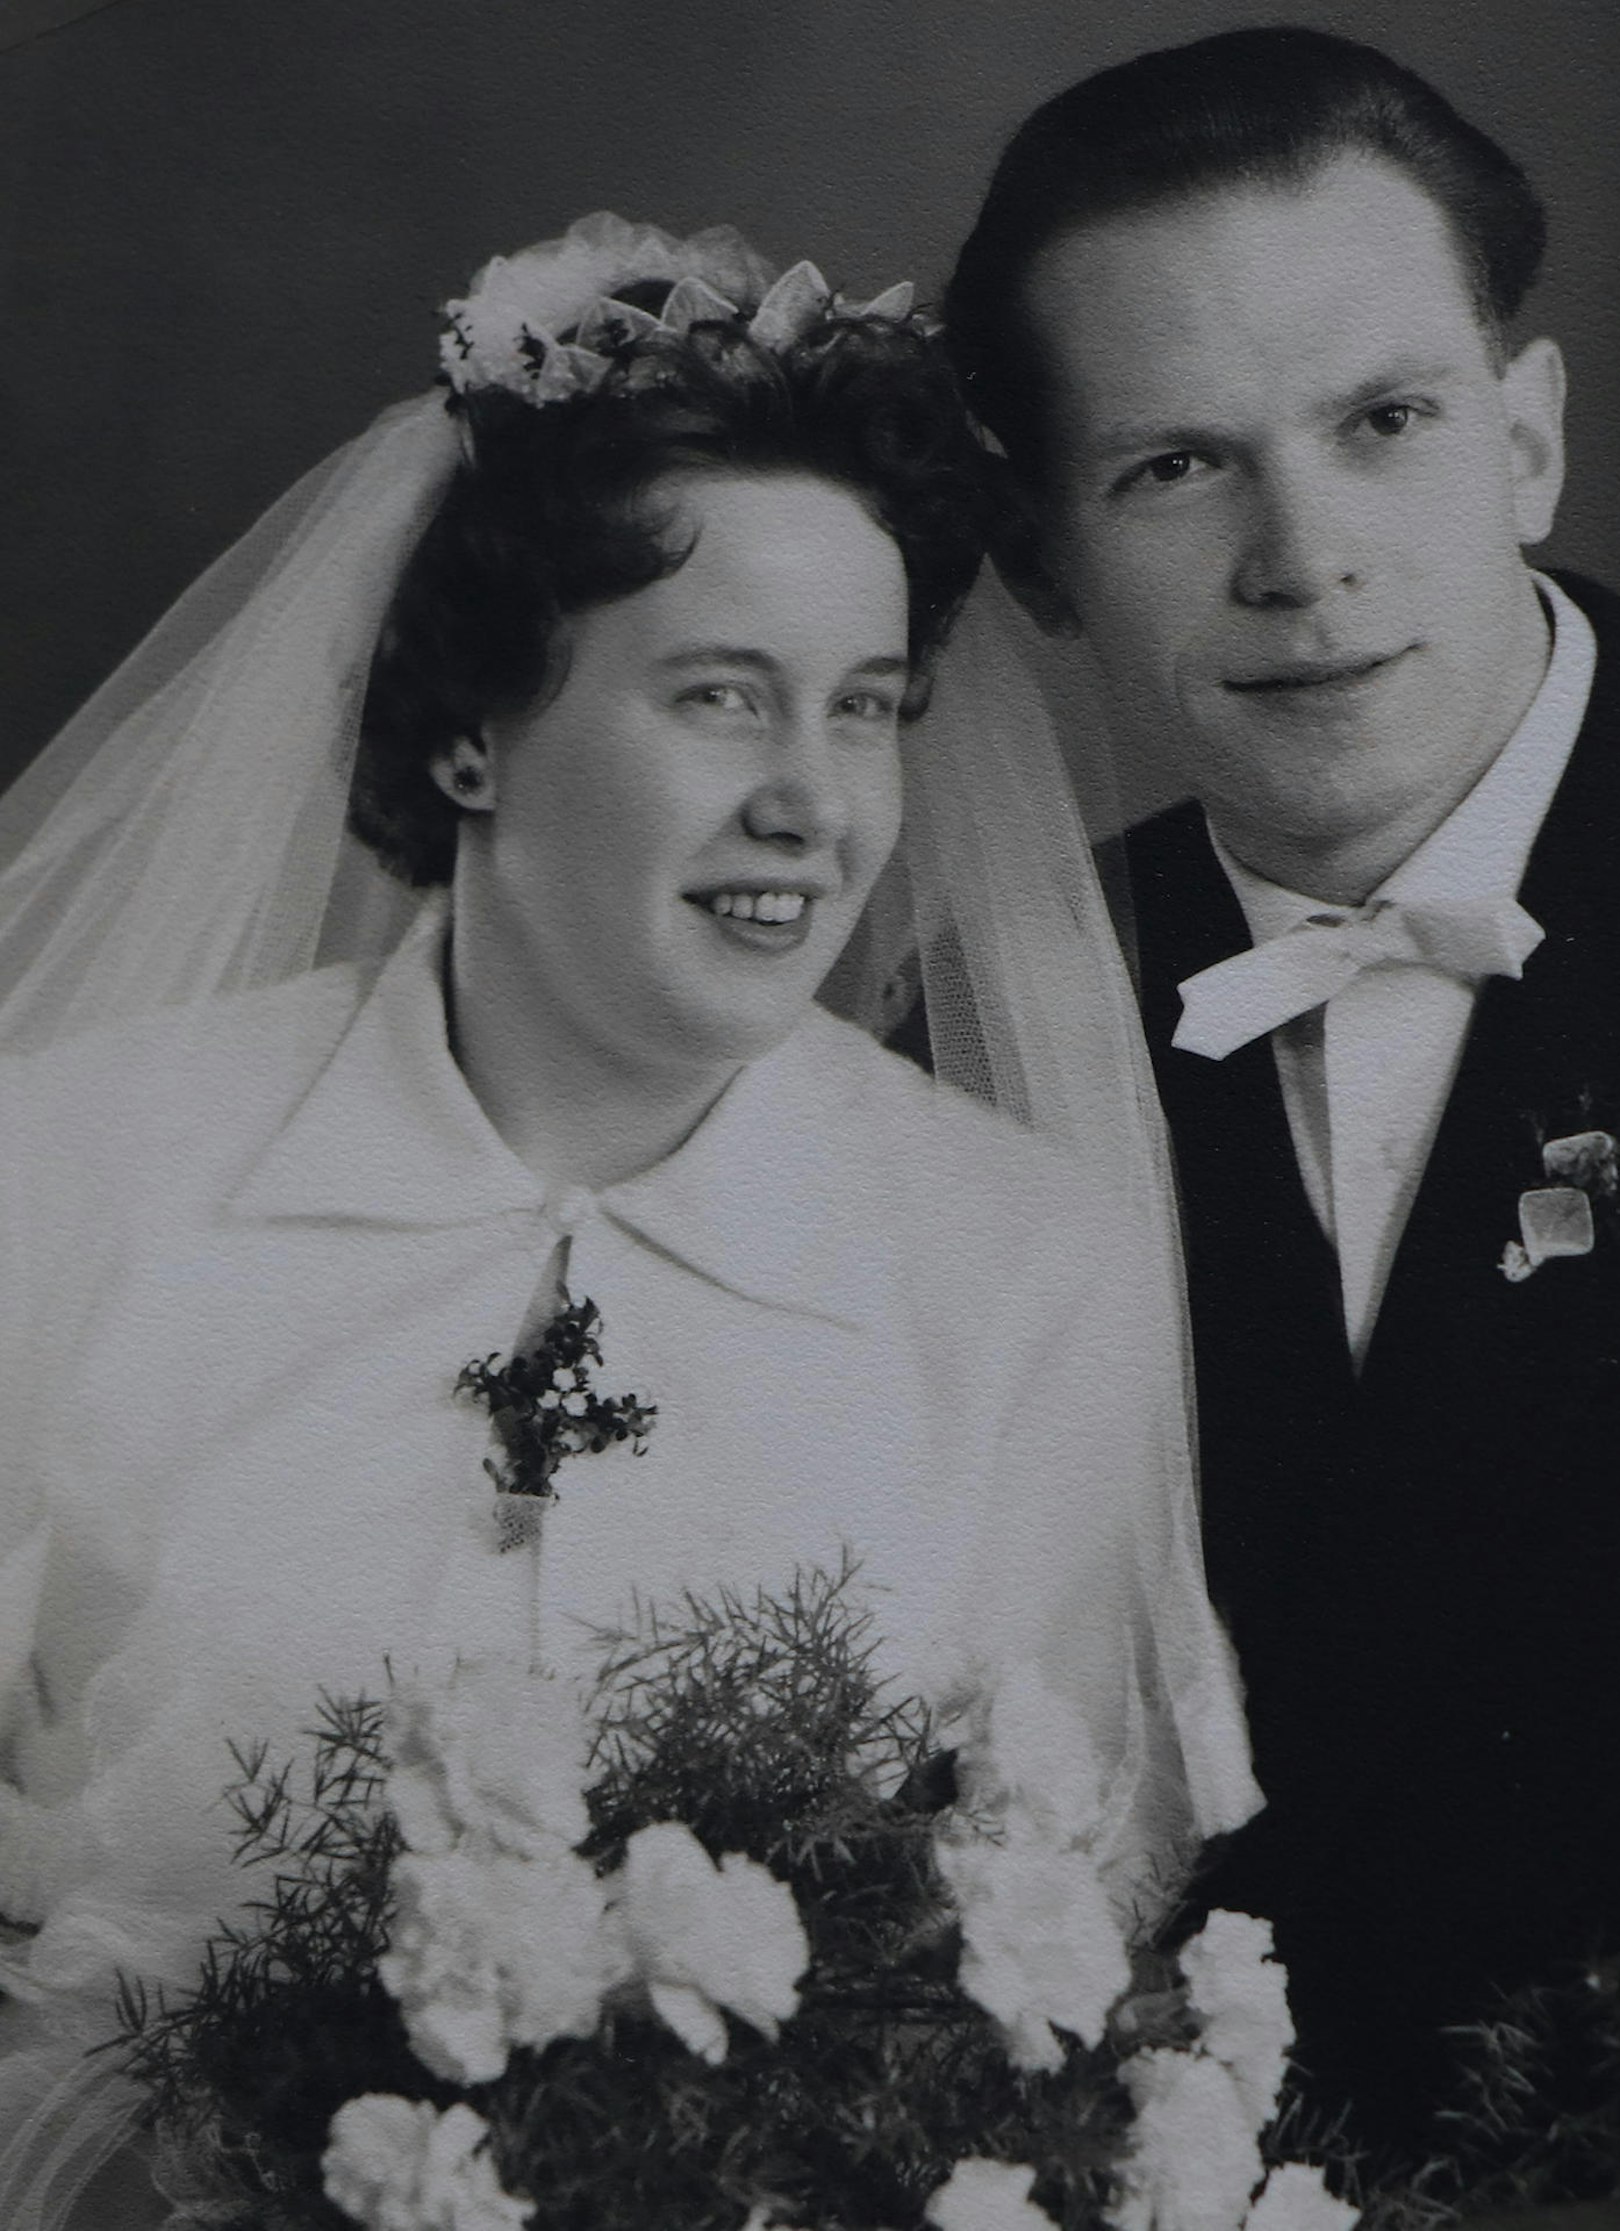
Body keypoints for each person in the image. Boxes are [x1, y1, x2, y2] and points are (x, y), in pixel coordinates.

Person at [0, 214, 1257, 2223]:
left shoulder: (1024, 1273)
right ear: (471, 727)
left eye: (862, 707)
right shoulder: (61, 1178)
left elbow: (1043, 1965)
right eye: (718, 696)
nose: (814, 803)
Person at [944, 25, 1620, 2206]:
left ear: (1525, 436)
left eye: (1384, 422)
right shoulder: (953, 1051)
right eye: (1171, 469)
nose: (1300, 559)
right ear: (1041, 561)